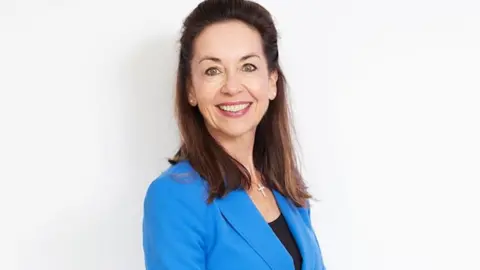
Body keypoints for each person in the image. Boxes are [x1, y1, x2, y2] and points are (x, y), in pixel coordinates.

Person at [142, 0, 326, 269]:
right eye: (213, 70)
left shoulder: (286, 186)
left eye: (248, 67)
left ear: (272, 82)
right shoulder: (173, 197)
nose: (232, 87)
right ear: (191, 89)